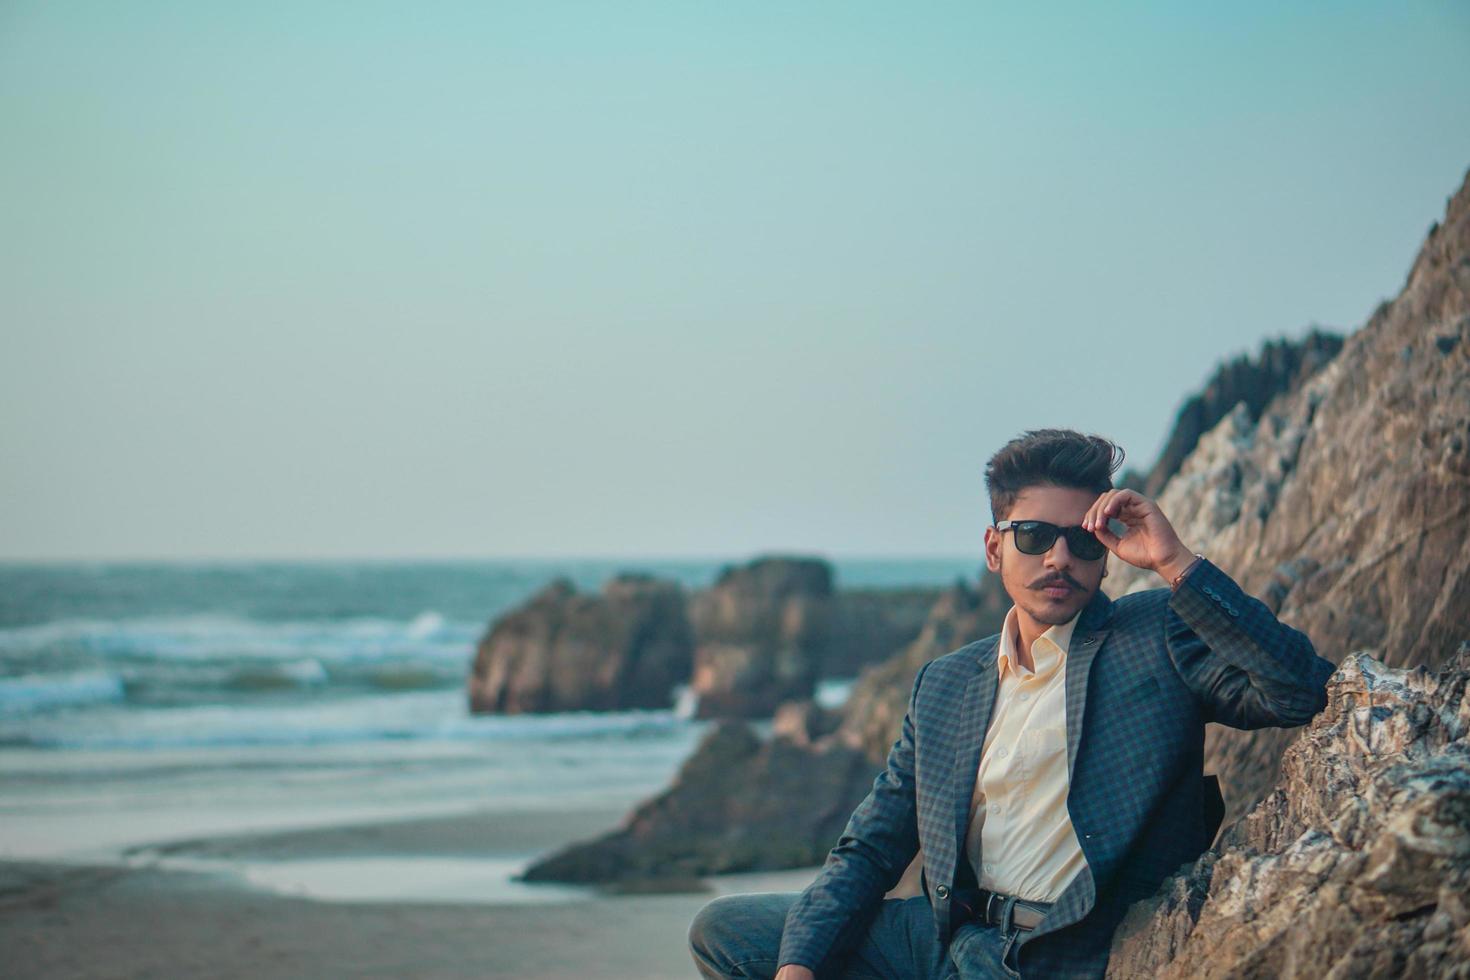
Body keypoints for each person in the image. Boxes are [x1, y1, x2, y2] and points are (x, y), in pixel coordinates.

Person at [688, 429, 1335, 979]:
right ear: (994, 547)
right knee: (730, 932)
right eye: (1032, 535)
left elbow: (1301, 689)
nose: (1059, 557)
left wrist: (1174, 562)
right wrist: (799, 967)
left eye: (1083, 541)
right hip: (949, 934)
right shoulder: (947, 682)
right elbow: (873, 846)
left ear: (1106, 556)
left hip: (1062, 947)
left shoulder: (1155, 633)